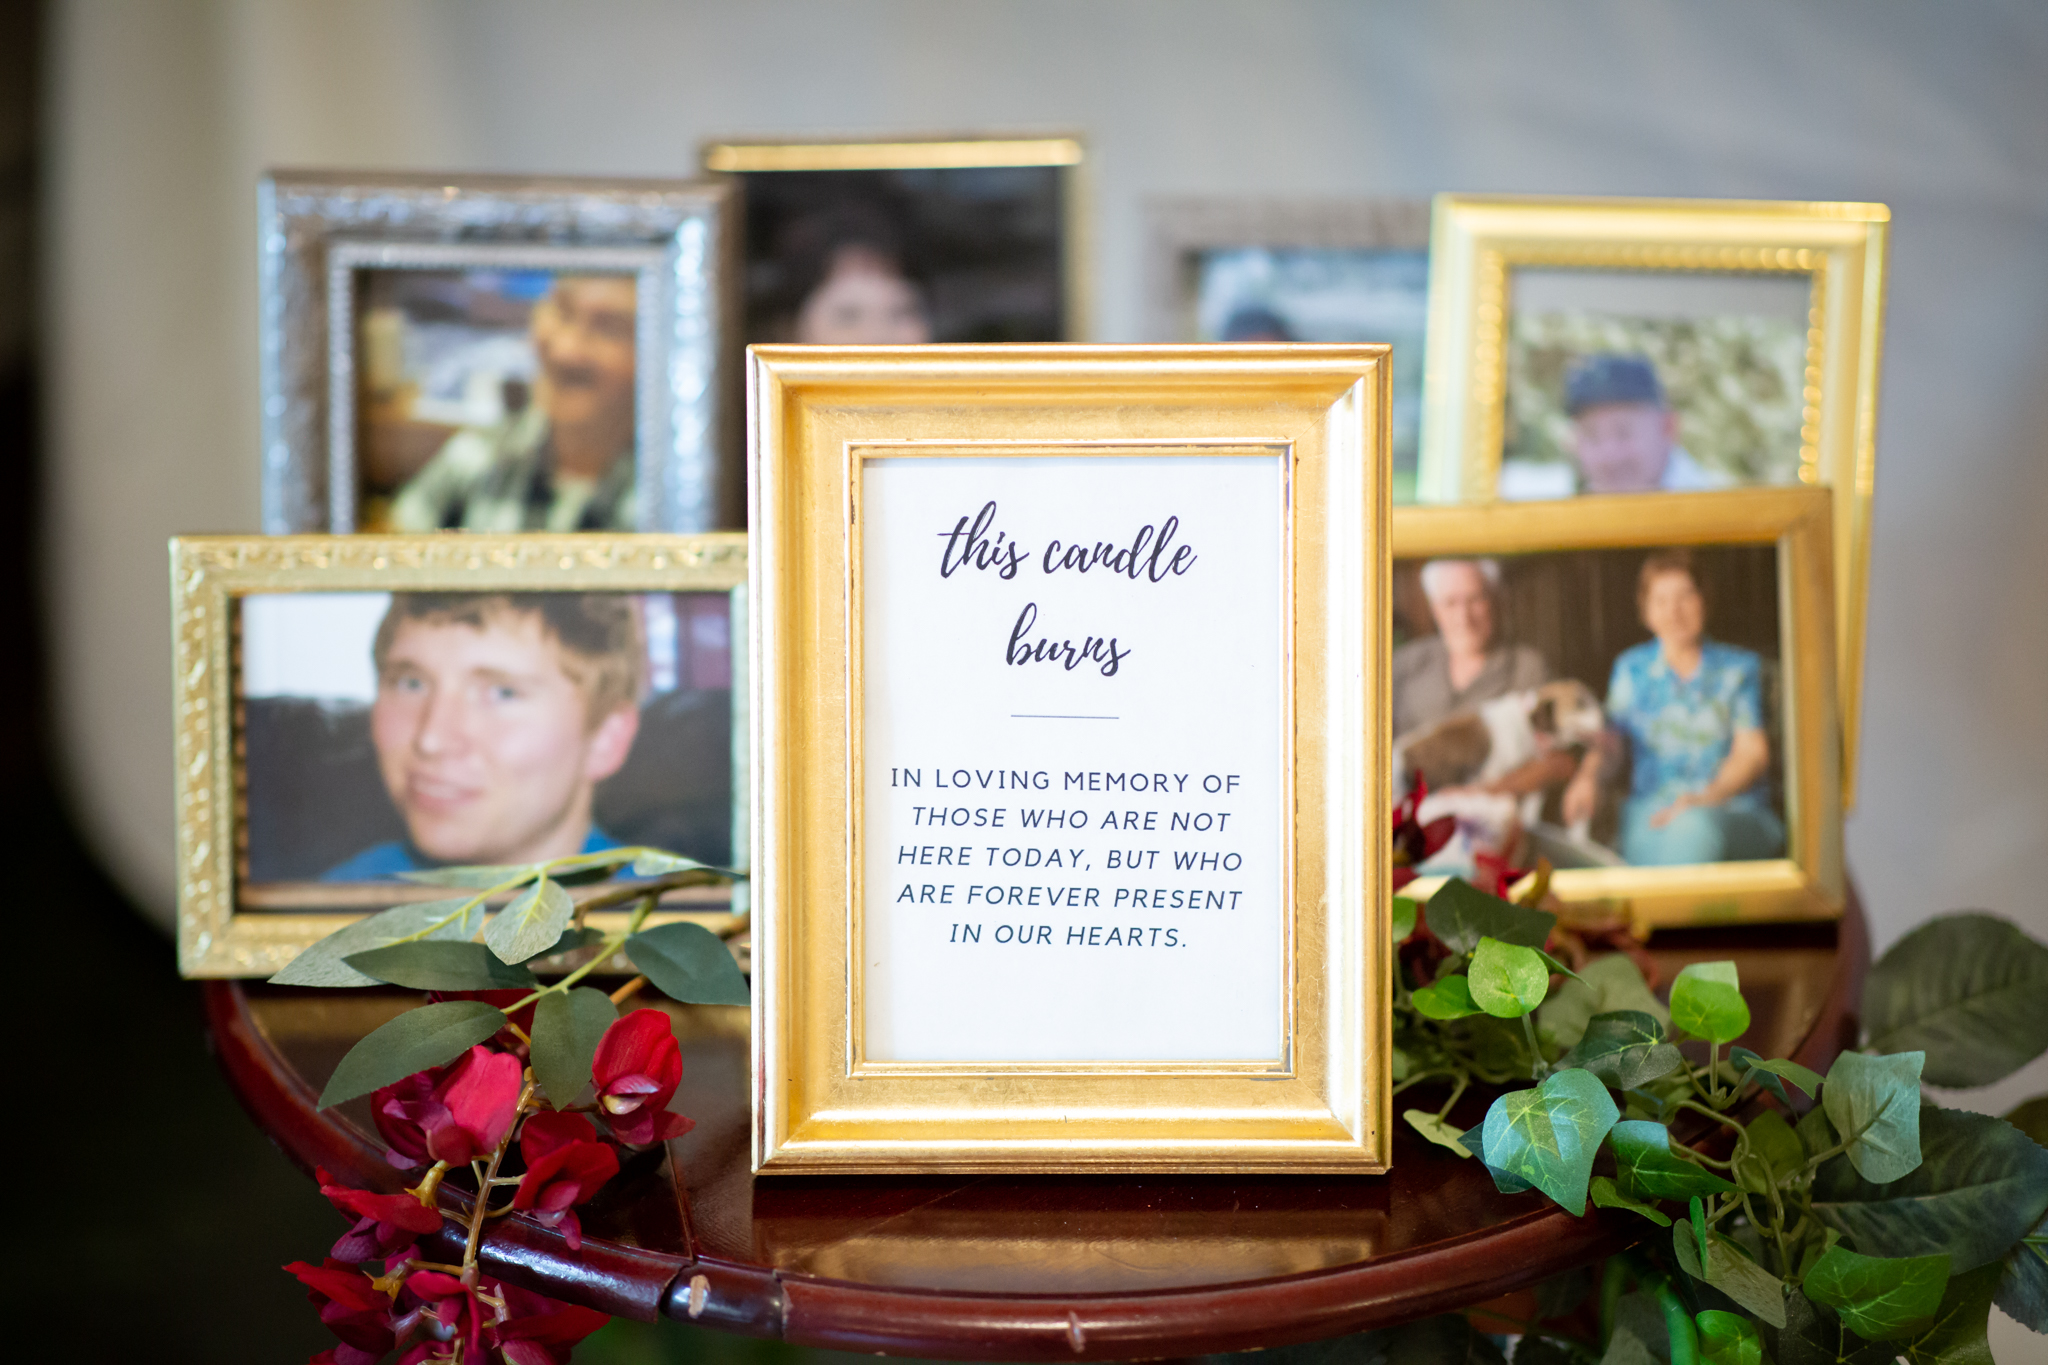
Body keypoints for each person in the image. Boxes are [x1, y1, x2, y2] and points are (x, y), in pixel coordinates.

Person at [324, 593, 644, 879]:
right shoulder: (329, 903)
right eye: (411, 683)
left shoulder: (659, 914)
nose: (431, 739)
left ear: (606, 738)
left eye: (502, 693)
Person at [1563, 550, 1784, 866]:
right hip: (1651, 815)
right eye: (1661, 601)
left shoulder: (1739, 669)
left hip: (1732, 812)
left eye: (1685, 596)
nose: (1674, 612)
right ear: (1646, 612)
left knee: (1694, 829)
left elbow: (1752, 754)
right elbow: (1611, 744)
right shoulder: (1631, 669)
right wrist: (1589, 777)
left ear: (1704, 600)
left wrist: (1704, 799)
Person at [392, 275, 639, 532]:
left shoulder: (659, 490)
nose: (565, 350)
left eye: (609, 328)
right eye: (563, 311)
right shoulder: (478, 454)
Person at [1391, 558, 1575, 798]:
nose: (1463, 617)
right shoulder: (1406, 663)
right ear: (1434, 609)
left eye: (1475, 600)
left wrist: (1480, 793)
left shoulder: (1526, 667)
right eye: (1450, 603)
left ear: (1497, 602)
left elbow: (1560, 761)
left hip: (1493, 806)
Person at [1555, 354, 1733, 496]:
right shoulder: (1567, 522)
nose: (1609, 454)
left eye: (1623, 432)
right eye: (1592, 435)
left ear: (1668, 427)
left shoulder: (1722, 516)